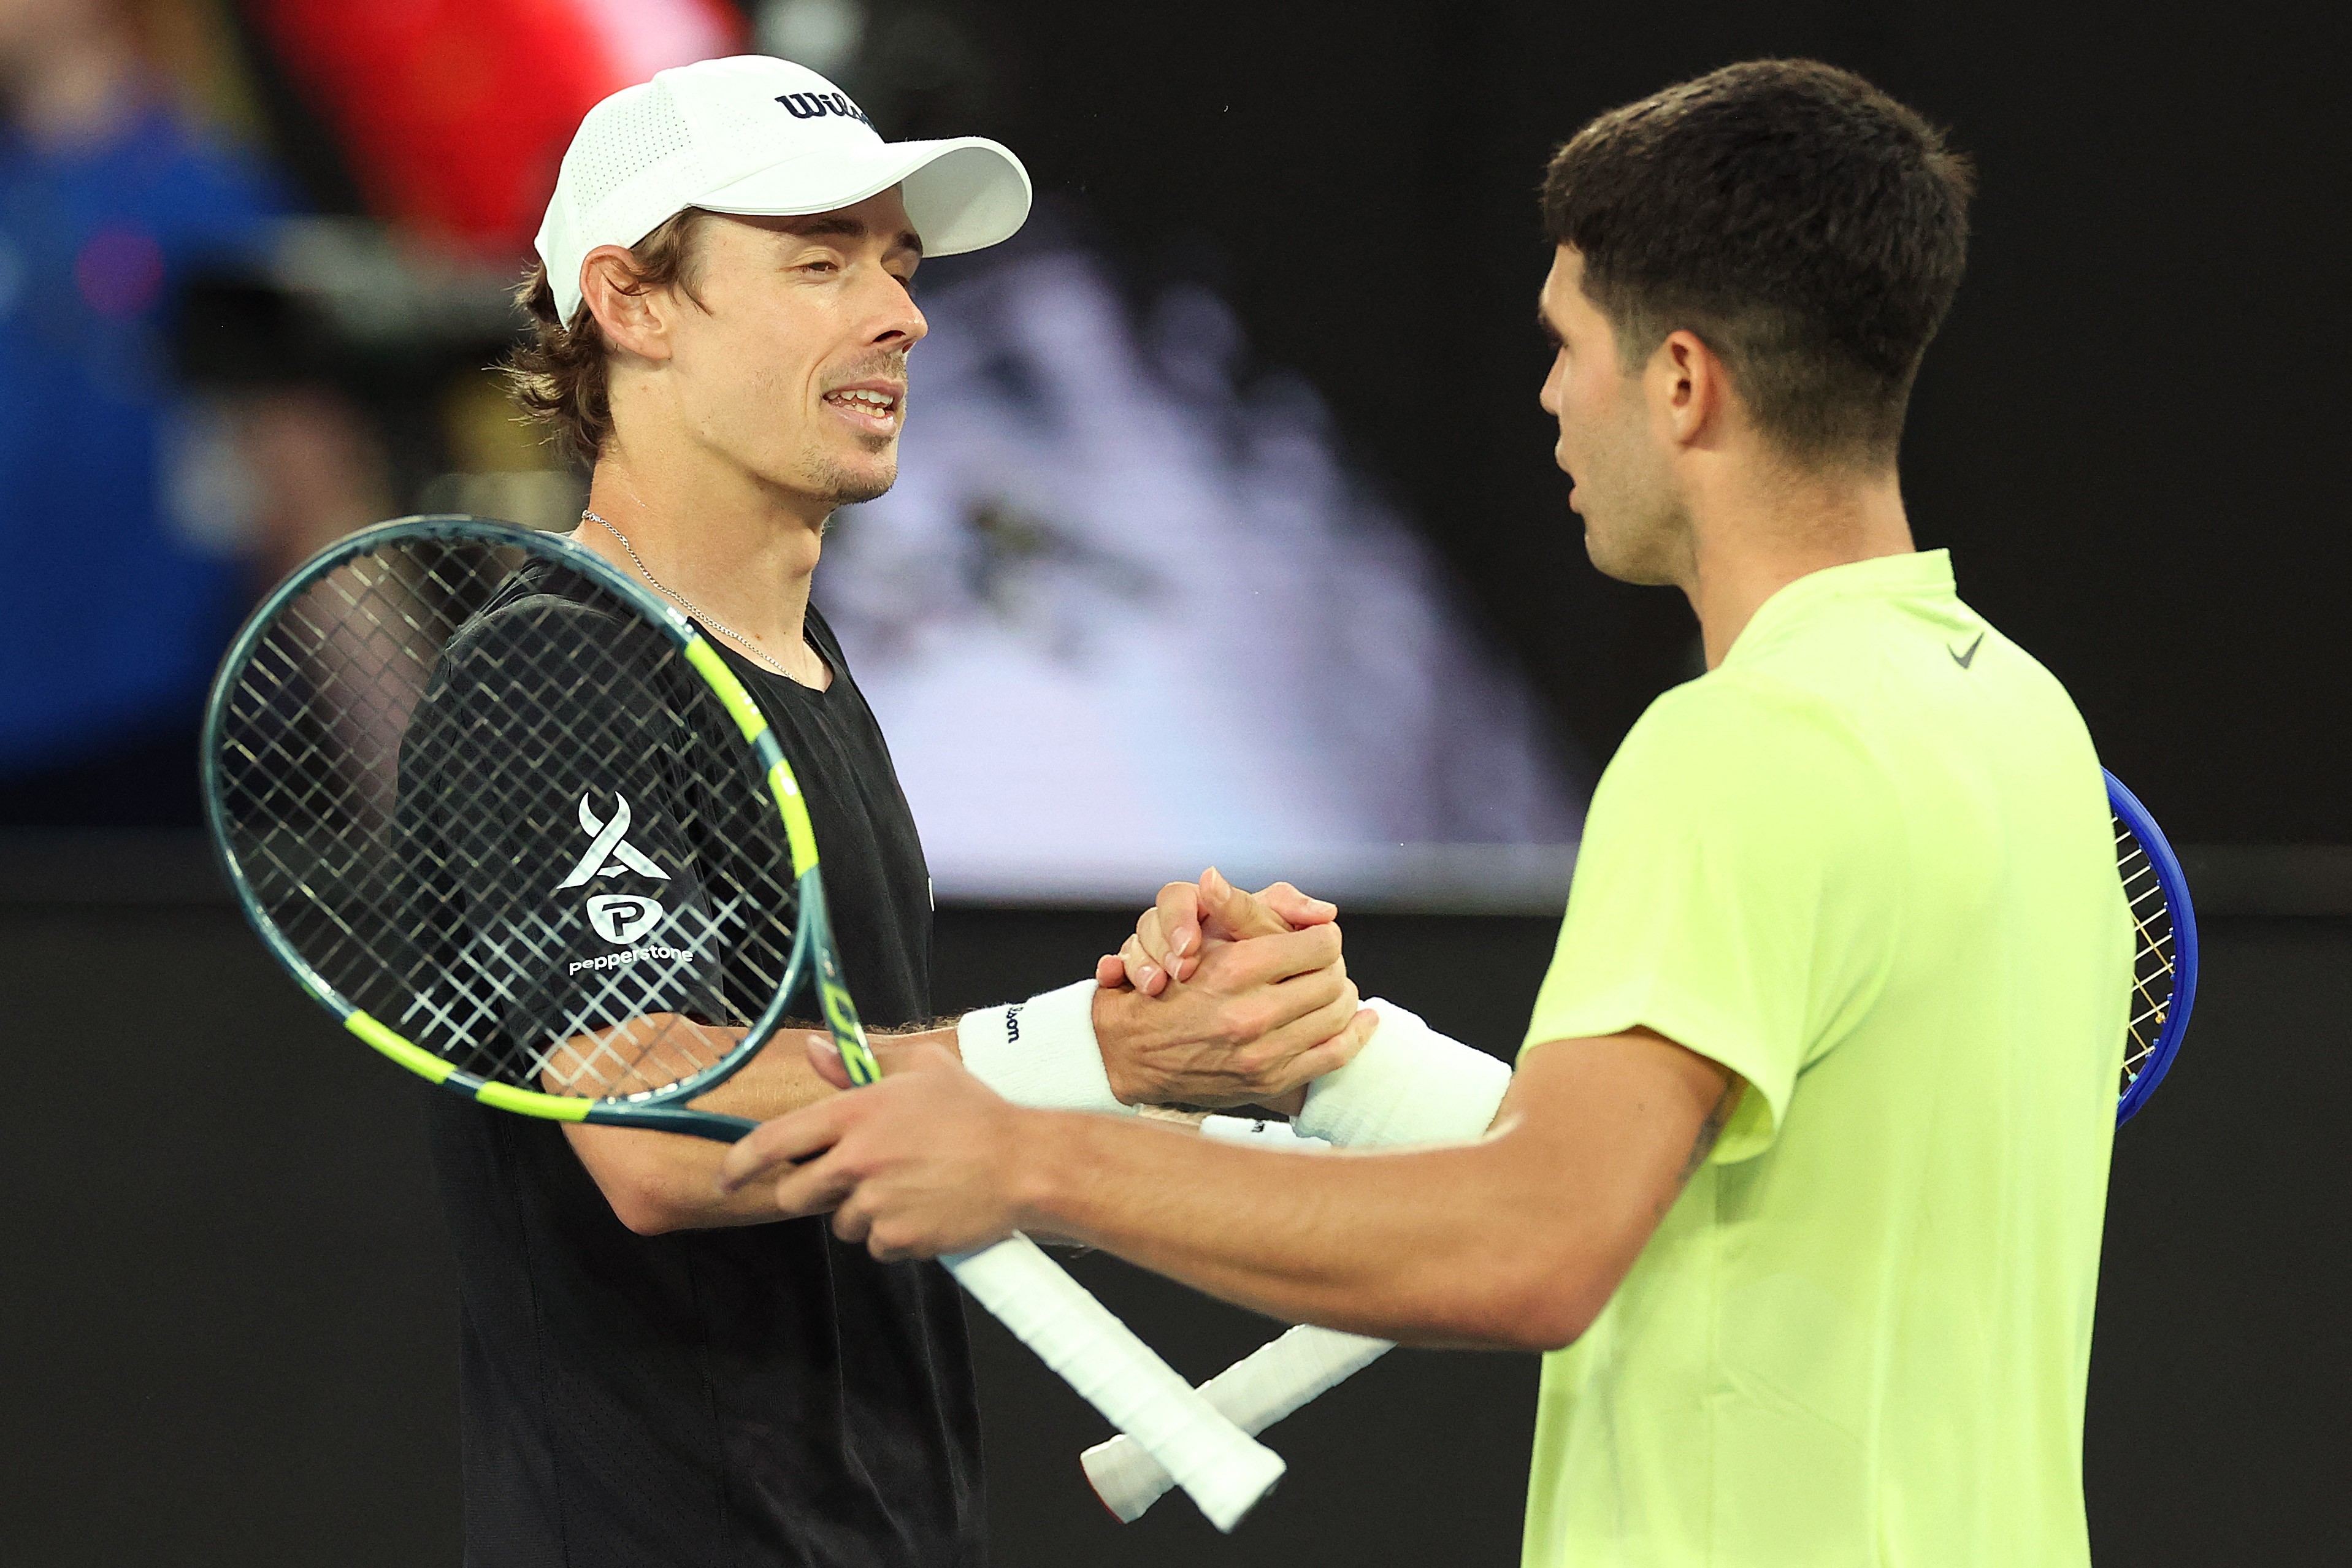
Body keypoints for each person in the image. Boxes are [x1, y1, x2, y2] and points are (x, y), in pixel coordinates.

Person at [719, 59, 2133, 1567]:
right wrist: (1338, 1059)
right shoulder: (2016, 717)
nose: (1546, 397)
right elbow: (1699, 1194)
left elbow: (1538, 1242)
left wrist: (1028, 1160)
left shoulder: (1740, 748)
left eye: (1567, 347)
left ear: (1679, 382)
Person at [432, 55, 1371, 1568]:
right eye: (820, 260)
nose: (901, 314)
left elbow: (875, 1108)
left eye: (900, 263)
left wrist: (1158, 1032)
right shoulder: (552, 666)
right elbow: (656, 1121)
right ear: (633, 300)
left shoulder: (806, 668)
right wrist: (1087, 1045)